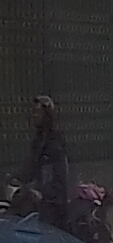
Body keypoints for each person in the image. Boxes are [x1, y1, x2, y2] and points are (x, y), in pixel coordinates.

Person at [14, 96, 71, 233]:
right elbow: (30, 168)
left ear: (47, 115)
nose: (34, 116)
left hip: (53, 202)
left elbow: (58, 177)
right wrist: (14, 177)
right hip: (39, 196)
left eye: (38, 112)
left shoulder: (54, 142)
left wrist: (41, 192)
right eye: (33, 112)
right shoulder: (38, 141)